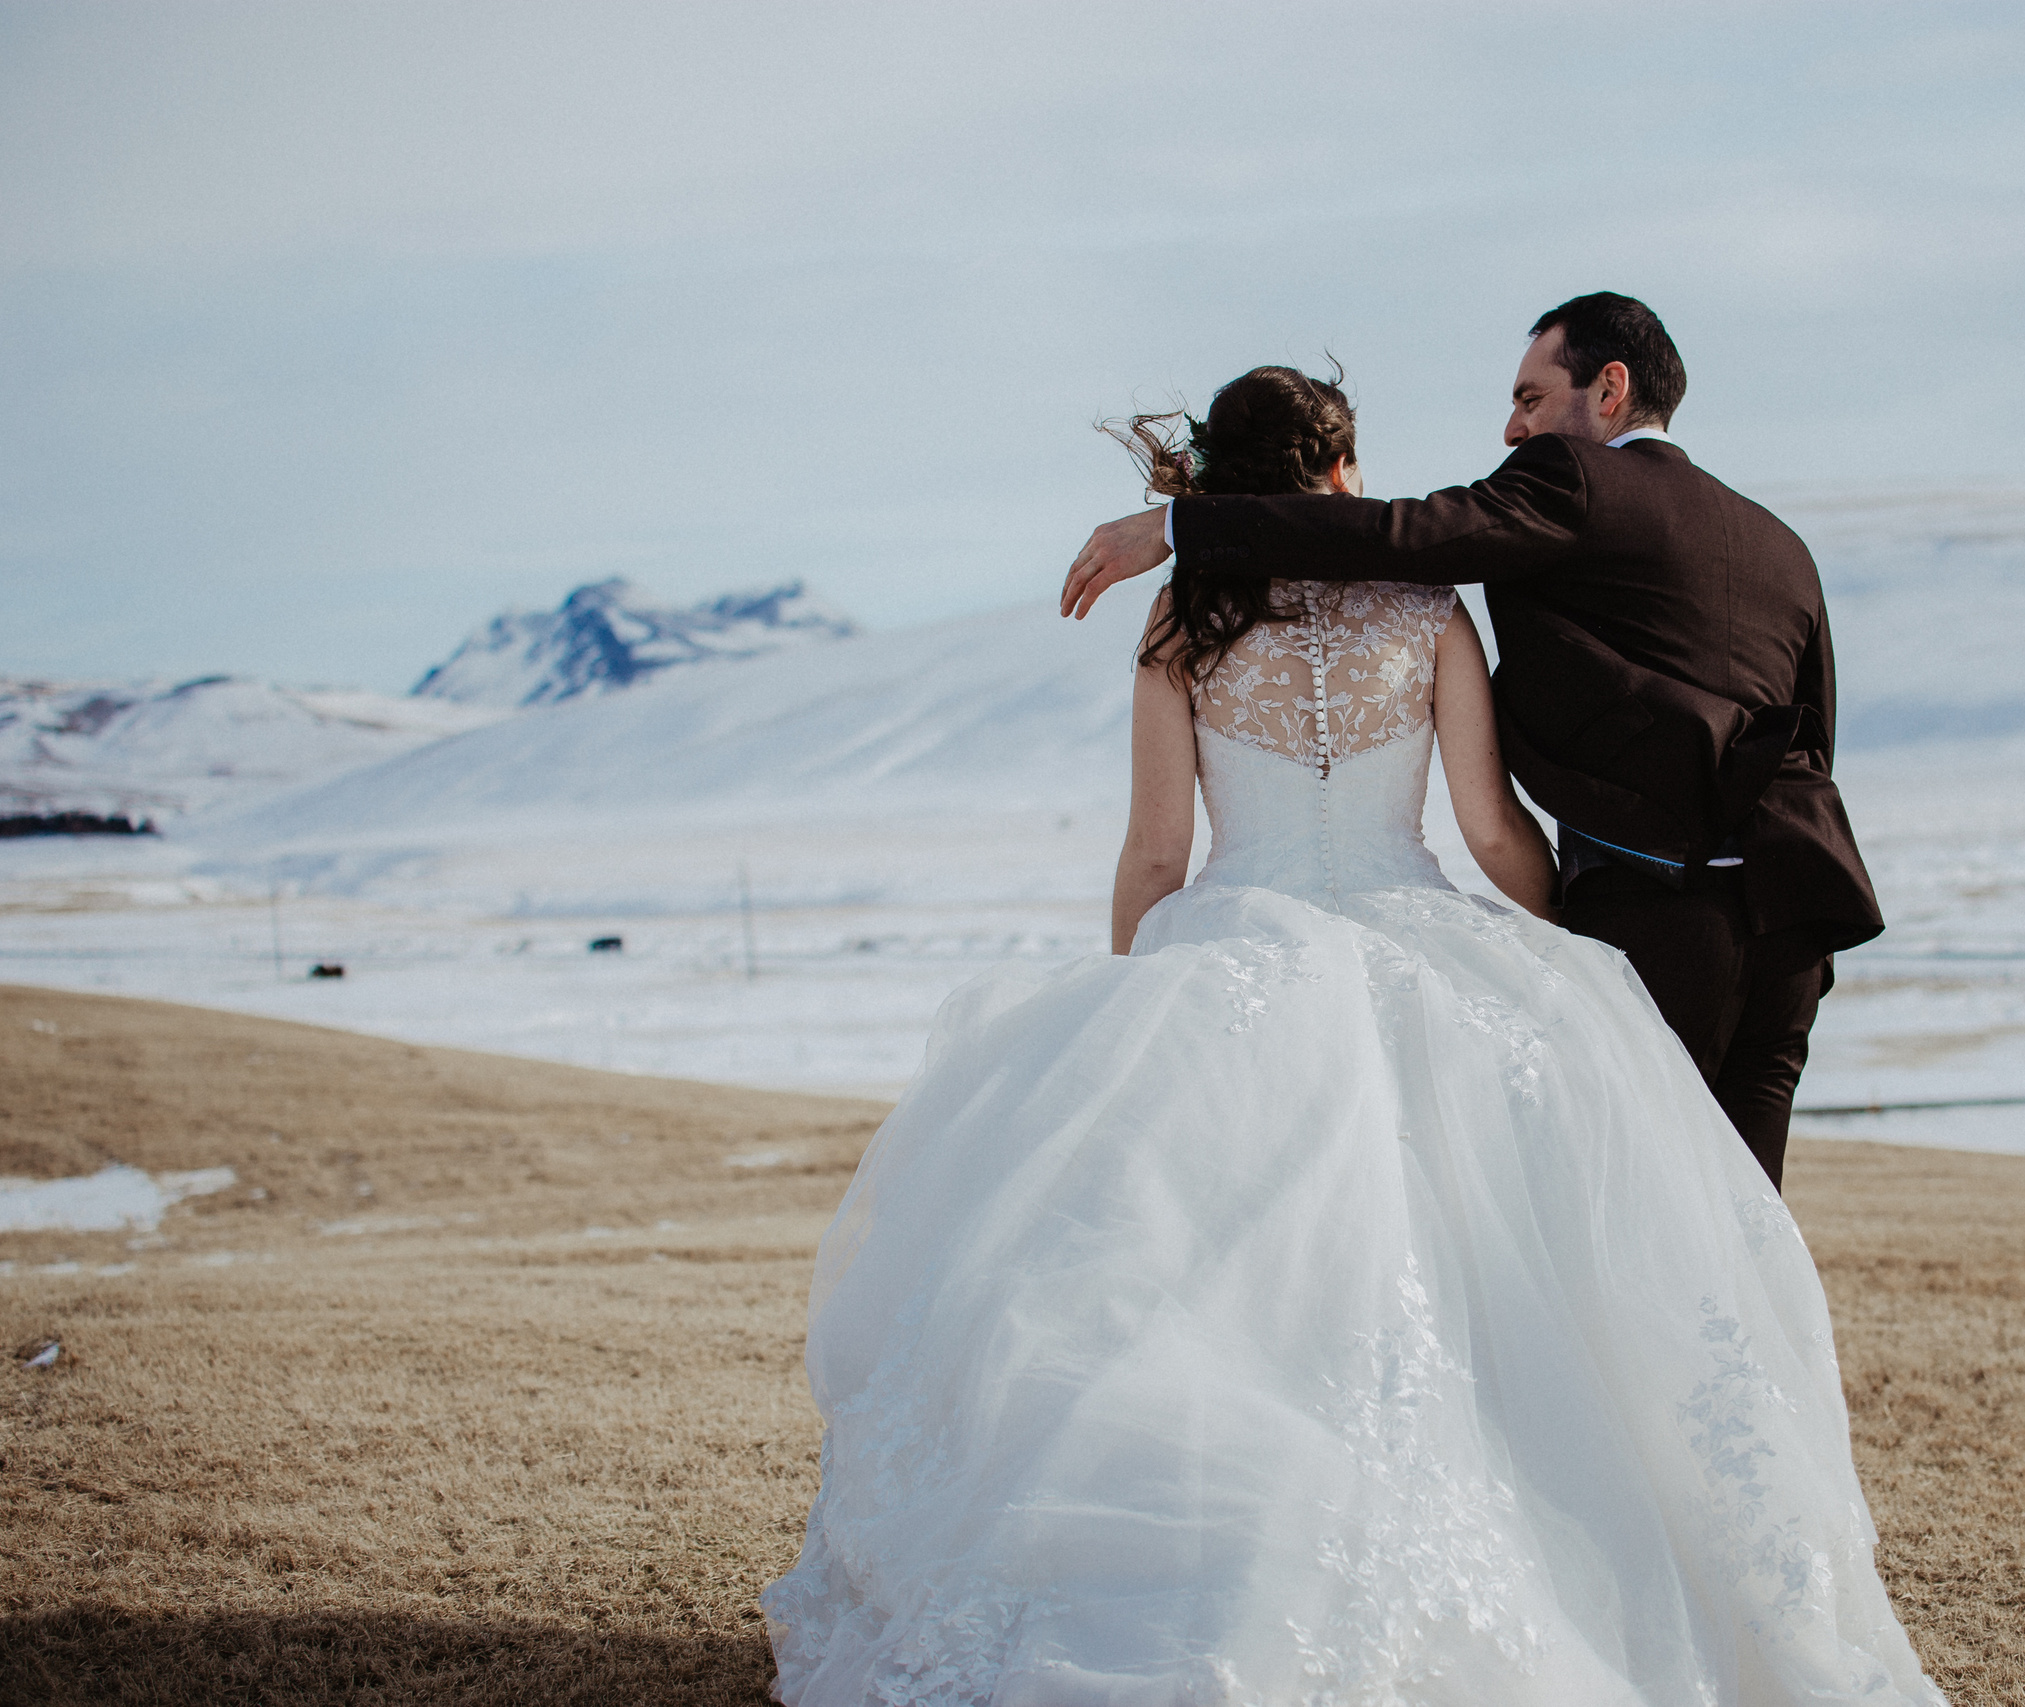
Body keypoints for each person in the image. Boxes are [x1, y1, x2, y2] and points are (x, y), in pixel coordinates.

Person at [762, 364, 1943, 1706]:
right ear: (1336, 474)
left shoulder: (1179, 623)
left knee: (1217, 1303)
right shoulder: (1427, 610)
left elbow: (1154, 854)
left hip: (1236, 949)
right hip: (1420, 934)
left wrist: (1134, 1005)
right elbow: (1494, 833)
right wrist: (1558, 959)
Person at [1062, 295, 1881, 1192]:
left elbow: (1397, 535)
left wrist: (1182, 527)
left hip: (1662, 915)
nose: (1511, 426)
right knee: (1740, 1220)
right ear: (1341, 464)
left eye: (1531, 399)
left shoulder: (1572, 482)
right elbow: (1812, 731)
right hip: (1792, 918)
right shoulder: (1781, 544)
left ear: (1609, 390)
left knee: (1636, 1207)